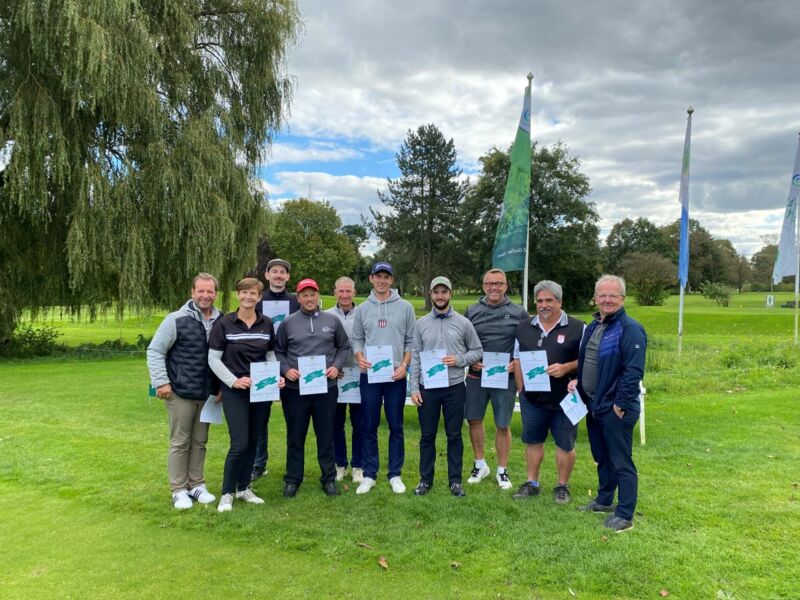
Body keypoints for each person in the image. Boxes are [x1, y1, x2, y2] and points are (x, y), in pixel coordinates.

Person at [568, 275, 646, 532]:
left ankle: (625, 515)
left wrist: (620, 405)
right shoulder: (594, 325)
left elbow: (633, 371)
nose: (607, 300)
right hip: (594, 405)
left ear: (622, 298)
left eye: (613, 295)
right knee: (602, 457)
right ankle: (604, 501)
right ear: (595, 298)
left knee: (620, 461)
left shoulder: (630, 328)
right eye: (602, 295)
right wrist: (578, 383)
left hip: (615, 408)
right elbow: (589, 361)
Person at [208, 278, 284, 513]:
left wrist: (277, 376)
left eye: (252, 293)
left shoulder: (266, 323)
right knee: (239, 442)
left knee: (254, 440)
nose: (248, 297)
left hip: (261, 391)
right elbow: (213, 359)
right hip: (236, 391)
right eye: (244, 293)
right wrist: (233, 381)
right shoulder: (224, 323)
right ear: (238, 295)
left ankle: (243, 488)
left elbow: (269, 356)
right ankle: (227, 492)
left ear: (259, 297)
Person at [147, 273, 222, 510]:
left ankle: (196, 484)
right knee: (180, 441)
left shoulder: (222, 320)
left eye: (210, 291)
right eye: (201, 291)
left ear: (216, 294)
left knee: (200, 440)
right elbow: (155, 351)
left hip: (208, 393)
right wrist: (161, 382)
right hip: (180, 391)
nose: (205, 296)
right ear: (192, 292)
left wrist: (221, 387)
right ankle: (178, 489)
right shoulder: (176, 319)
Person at [275, 278, 351, 498]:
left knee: (325, 436)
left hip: (325, 388)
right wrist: (286, 369)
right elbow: (279, 351)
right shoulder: (288, 322)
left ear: (318, 296)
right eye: (304, 295)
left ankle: (328, 479)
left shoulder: (332, 320)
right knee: (295, 436)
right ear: (298, 298)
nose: (309, 299)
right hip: (294, 390)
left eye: (312, 294)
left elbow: (343, 346)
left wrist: (336, 367)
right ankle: (293, 479)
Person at [410, 276, 483, 497]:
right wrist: (414, 388)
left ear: (450, 294)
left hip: (454, 388)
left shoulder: (464, 323)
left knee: (454, 435)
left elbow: (477, 350)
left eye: (444, 292)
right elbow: (415, 357)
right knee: (427, 436)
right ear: (431, 294)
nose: (440, 296)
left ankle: (455, 481)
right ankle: (425, 480)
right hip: (428, 388)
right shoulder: (421, 324)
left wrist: (459, 360)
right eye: (436, 292)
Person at [511, 280, 583, 503]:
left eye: (549, 300)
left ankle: (562, 486)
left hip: (566, 398)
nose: (544, 305)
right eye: (540, 300)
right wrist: (521, 388)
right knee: (533, 441)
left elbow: (588, 360)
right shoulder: (524, 327)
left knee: (565, 444)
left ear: (559, 301)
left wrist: (567, 368)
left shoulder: (578, 327)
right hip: (533, 399)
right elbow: (517, 358)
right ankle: (532, 483)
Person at [350, 262, 416, 495]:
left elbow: (411, 341)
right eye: (378, 276)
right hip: (370, 375)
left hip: (395, 376)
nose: (382, 281)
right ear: (371, 279)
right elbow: (357, 338)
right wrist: (359, 356)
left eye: (386, 277)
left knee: (396, 425)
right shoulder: (362, 309)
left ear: (392, 280)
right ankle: (369, 474)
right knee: (369, 425)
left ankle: (395, 474)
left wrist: (405, 365)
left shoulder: (406, 307)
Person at [463, 268, 528, 490]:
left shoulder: (519, 312)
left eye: (498, 283)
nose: (494, 287)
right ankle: (480, 464)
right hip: (476, 375)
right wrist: (470, 359)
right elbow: (462, 340)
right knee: (474, 419)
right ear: (483, 286)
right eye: (489, 283)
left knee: (502, 424)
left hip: (505, 377)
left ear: (506, 286)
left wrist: (516, 363)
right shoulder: (472, 310)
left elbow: (528, 342)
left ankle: (502, 470)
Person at [252, 258, 301, 482]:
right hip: (263, 364)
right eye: (274, 271)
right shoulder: (257, 300)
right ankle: (258, 464)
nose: (279, 275)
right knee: (260, 419)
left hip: (291, 365)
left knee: (294, 419)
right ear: (267, 275)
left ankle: (293, 468)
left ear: (288, 277)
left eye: (283, 272)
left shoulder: (296, 301)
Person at [326, 276, 364, 483]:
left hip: (359, 375)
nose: (345, 295)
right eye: (341, 291)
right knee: (335, 423)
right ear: (335, 293)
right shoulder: (326, 315)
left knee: (360, 424)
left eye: (348, 291)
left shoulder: (364, 313)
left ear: (354, 293)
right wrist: (332, 366)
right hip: (336, 376)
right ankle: (340, 464)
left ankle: (358, 465)